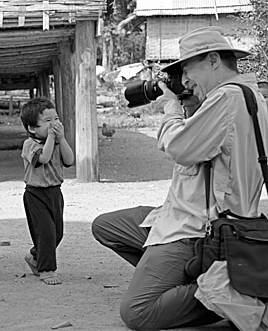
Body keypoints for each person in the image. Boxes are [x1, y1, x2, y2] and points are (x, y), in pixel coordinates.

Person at [91, 26, 268, 330]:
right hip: (183, 218)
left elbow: (180, 148)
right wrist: (192, 109)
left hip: (198, 229)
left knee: (137, 312)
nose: (184, 81)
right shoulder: (250, 98)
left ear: (214, 60)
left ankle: (229, 295)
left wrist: (171, 107)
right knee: (105, 226)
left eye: (188, 69)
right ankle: (193, 277)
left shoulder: (227, 98)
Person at [19, 97, 74, 285]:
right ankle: (47, 270)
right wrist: (51, 138)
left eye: (56, 119)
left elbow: (69, 160)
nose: (54, 124)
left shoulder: (57, 142)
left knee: (57, 232)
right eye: (48, 121)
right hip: (36, 194)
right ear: (32, 128)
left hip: (55, 192)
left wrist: (62, 138)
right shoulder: (30, 145)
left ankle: (35, 257)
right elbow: (43, 158)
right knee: (46, 233)